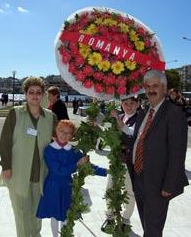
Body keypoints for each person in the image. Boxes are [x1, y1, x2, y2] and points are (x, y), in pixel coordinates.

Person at [129, 70, 188, 237]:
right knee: (147, 224)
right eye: (147, 86)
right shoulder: (144, 112)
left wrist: (168, 186)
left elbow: (177, 154)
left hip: (158, 182)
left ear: (164, 88)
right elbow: (139, 140)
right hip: (139, 177)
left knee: (153, 229)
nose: (151, 90)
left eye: (155, 86)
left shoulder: (174, 114)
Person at [0, 76, 57, 237]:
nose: (35, 95)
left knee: (37, 211)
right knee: (21, 212)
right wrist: (6, 166)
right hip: (17, 172)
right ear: (25, 94)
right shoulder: (15, 113)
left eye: (38, 92)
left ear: (43, 94)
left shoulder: (51, 117)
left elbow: (62, 138)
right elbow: (5, 142)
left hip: (41, 174)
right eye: (31, 92)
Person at [36, 119, 107, 237]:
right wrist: (77, 164)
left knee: (65, 213)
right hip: (53, 186)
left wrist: (104, 171)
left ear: (72, 136)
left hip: (67, 187)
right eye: (62, 131)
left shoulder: (74, 150)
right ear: (56, 131)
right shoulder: (49, 150)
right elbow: (58, 170)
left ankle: (65, 234)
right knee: (54, 214)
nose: (64, 135)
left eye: (68, 133)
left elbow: (87, 166)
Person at [101, 96, 139, 234]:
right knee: (110, 189)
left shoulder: (140, 119)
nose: (128, 106)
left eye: (131, 103)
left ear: (137, 104)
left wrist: (116, 119)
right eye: (125, 103)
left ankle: (125, 220)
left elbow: (131, 134)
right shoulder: (119, 116)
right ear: (121, 104)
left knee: (129, 192)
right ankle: (110, 217)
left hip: (129, 162)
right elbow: (106, 131)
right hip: (115, 160)